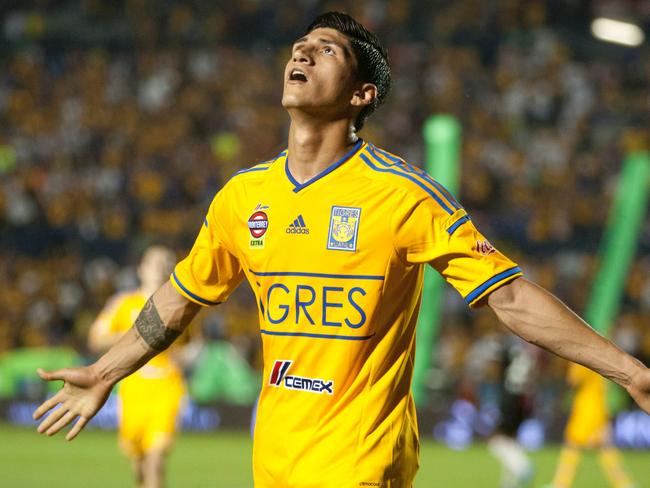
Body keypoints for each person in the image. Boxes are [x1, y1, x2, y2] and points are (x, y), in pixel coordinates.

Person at [33, 12, 650, 488]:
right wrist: (104, 372)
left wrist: (628, 370)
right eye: (301, 45)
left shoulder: (404, 195)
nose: (302, 51)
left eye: (327, 50)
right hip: (273, 462)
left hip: (361, 465)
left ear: (361, 96)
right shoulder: (242, 196)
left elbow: (509, 296)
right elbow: (181, 294)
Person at [87, 246, 187, 488]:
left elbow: (189, 345)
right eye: (155, 263)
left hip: (166, 389)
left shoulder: (180, 305)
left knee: (155, 460)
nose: (160, 267)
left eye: (166, 263)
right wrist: (135, 336)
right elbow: (95, 339)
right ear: (142, 270)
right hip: (132, 390)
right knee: (140, 464)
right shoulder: (123, 303)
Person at [544, 363, 636, 488]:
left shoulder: (581, 358)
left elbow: (574, 379)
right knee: (603, 447)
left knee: (573, 444)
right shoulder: (597, 357)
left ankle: (561, 484)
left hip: (587, 408)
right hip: (597, 405)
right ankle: (624, 483)